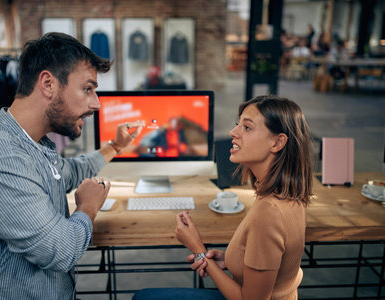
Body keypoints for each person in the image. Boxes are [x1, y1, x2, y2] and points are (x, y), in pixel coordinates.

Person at [0, 32, 145, 299]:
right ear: (48, 84)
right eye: (88, 88)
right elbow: (60, 250)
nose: (96, 103)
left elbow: (70, 172)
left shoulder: (31, 144)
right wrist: (87, 208)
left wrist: (116, 146)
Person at [133, 95, 313, 300]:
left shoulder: (269, 212)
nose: (232, 133)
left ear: (278, 142)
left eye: (247, 128)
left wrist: (198, 250)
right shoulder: (289, 194)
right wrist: (230, 260)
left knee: (142, 298)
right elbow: (278, 263)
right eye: (238, 125)